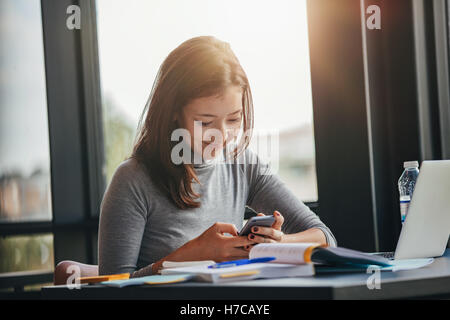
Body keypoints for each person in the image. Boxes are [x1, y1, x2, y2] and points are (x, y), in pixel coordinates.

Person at [98, 36, 337, 277]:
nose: (221, 136)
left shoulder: (243, 165)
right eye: (205, 122)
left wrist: (278, 242)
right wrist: (188, 257)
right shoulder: (133, 179)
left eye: (233, 119)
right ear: (173, 112)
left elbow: (324, 238)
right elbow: (111, 288)